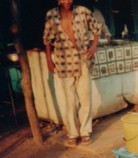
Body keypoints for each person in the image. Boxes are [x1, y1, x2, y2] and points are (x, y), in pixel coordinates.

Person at [43, 0, 101, 147]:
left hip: (82, 61)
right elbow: (47, 40)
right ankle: (73, 133)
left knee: (85, 98)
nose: (67, 1)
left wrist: (93, 47)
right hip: (64, 63)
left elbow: (97, 29)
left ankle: (85, 132)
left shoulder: (82, 11)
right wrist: (49, 60)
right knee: (69, 101)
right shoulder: (51, 15)